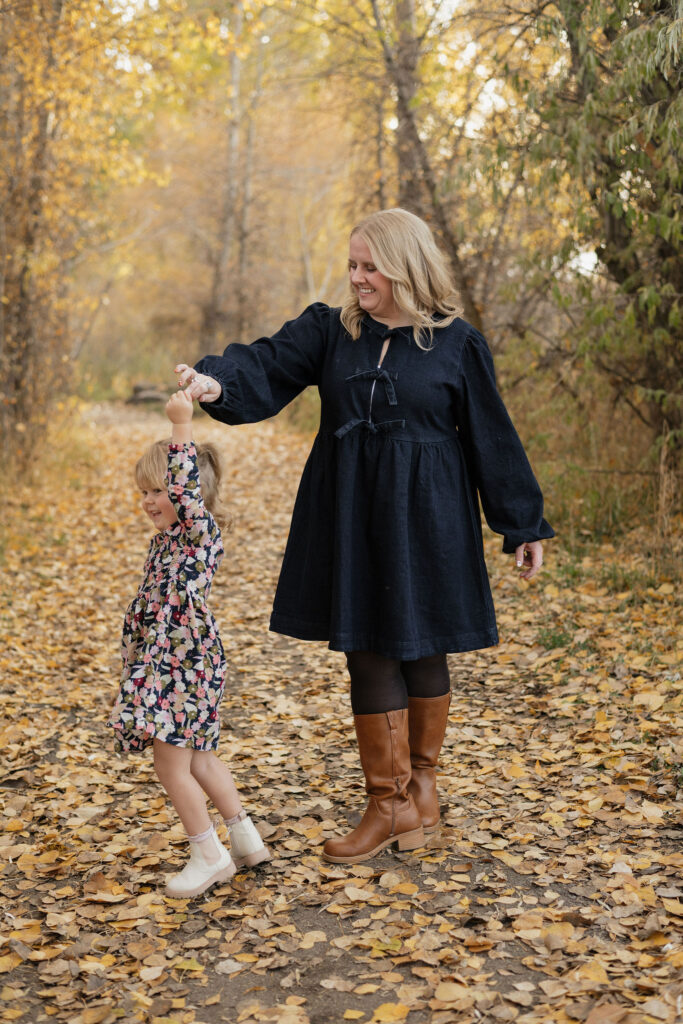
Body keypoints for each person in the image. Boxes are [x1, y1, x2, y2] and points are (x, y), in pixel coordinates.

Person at [176, 207, 554, 865]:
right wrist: (215, 382)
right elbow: (264, 366)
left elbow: (492, 435)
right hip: (352, 507)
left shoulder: (456, 344)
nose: (356, 278)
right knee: (370, 652)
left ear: (405, 267)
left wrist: (520, 522)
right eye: (352, 265)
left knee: (424, 644)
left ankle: (421, 794)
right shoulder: (330, 331)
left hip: (430, 512)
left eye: (369, 266)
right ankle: (388, 802)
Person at [108, 389, 270, 897]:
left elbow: (184, 487)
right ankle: (244, 839)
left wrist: (182, 424)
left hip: (184, 666)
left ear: (187, 491)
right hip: (172, 666)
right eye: (144, 492)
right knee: (199, 757)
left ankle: (208, 854)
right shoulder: (164, 545)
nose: (150, 500)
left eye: (158, 490)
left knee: (169, 762)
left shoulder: (199, 532)